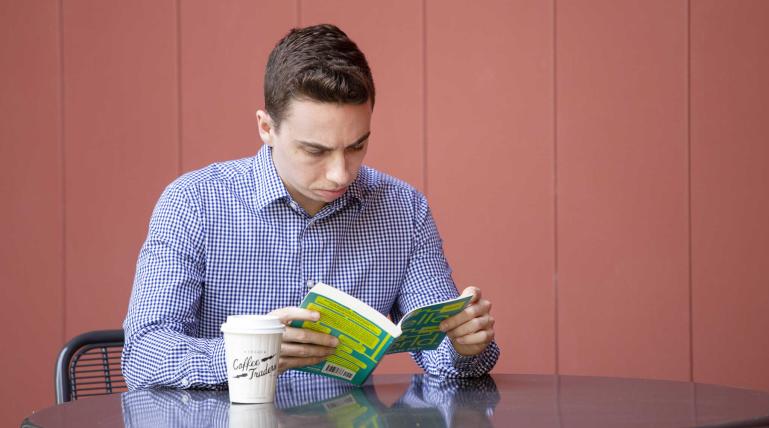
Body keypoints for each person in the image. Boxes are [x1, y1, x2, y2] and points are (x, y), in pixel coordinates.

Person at [122, 23, 499, 390]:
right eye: (315, 150)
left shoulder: (404, 210)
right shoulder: (194, 203)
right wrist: (254, 353)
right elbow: (142, 356)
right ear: (266, 128)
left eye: (356, 146)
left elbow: (446, 362)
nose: (340, 174)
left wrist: (466, 346)